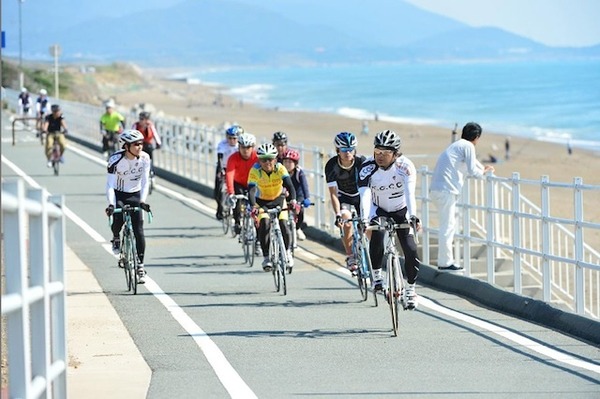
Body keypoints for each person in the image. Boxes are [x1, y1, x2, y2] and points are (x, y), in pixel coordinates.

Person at [358, 129, 421, 309]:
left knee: (410, 249)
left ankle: (410, 289)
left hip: (401, 210)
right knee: (377, 233)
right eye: (377, 152)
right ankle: (377, 276)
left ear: (395, 154)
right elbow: (365, 196)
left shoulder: (405, 167)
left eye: (385, 153)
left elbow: (410, 194)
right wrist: (365, 219)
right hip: (379, 209)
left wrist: (413, 217)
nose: (380, 156)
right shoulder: (367, 168)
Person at [430, 122, 495, 271]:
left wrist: (481, 168)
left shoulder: (457, 145)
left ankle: (445, 261)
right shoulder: (468, 146)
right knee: (448, 227)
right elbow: (473, 170)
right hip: (446, 190)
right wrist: (483, 173)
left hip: (437, 189)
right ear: (477, 137)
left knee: (447, 225)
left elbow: (468, 164)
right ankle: (445, 263)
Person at [105, 129, 152, 284]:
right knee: (117, 220)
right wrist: (111, 204)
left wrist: (143, 201)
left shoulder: (145, 158)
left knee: (139, 230)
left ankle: (140, 264)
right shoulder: (115, 160)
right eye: (136, 144)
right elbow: (110, 185)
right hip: (119, 194)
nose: (140, 147)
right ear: (126, 146)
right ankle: (116, 237)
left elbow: (145, 182)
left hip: (136, 194)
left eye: (141, 143)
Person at [247, 143, 299, 273]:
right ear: (259, 160)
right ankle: (266, 258)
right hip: (261, 202)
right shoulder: (255, 170)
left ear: (275, 159)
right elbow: (252, 191)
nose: (267, 162)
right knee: (264, 224)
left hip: (278, 200)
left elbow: (290, 186)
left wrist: (292, 200)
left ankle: (287, 252)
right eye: (263, 159)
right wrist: (253, 206)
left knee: (284, 224)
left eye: (270, 159)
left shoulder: (280, 168)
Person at [324, 131, 366, 272]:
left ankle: (369, 252)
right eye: (344, 150)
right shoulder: (331, 165)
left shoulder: (362, 162)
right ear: (337, 151)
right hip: (343, 197)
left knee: (369, 226)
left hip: (360, 196)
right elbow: (333, 194)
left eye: (350, 150)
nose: (348, 153)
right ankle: (350, 255)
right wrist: (337, 214)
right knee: (346, 222)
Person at [225, 132, 258, 235]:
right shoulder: (233, 158)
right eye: (243, 147)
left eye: (248, 147)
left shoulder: (257, 157)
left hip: (253, 184)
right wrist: (231, 193)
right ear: (238, 146)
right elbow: (229, 175)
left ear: (253, 147)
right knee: (237, 201)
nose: (245, 150)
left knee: (256, 204)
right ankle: (237, 222)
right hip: (238, 183)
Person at [281, 149, 311, 241]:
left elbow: (304, 185)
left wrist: (307, 198)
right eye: (285, 161)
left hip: (298, 195)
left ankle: (298, 228)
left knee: (300, 211)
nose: (287, 164)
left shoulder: (299, 172)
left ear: (295, 163)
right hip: (285, 194)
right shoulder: (280, 171)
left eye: (290, 162)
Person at [215, 124, 242, 220]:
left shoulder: (240, 145)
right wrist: (221, 170)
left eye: (234, 138)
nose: (232, 141)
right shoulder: (222, 144)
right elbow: (220, 159)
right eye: (230, 138)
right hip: (224, 167)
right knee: (219, 189)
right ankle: (220, 208)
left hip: (235, 168)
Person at [131, 111, 162, 181]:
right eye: (140, 119)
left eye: (143, 119)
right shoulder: (136, 125)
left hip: (148, 145)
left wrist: (158, 143)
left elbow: (155, 134)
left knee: (150, 160)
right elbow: (132, 134)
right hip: (138, 145)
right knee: (136, 160)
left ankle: (152, 175)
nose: (141, 121)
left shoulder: (150, 126)